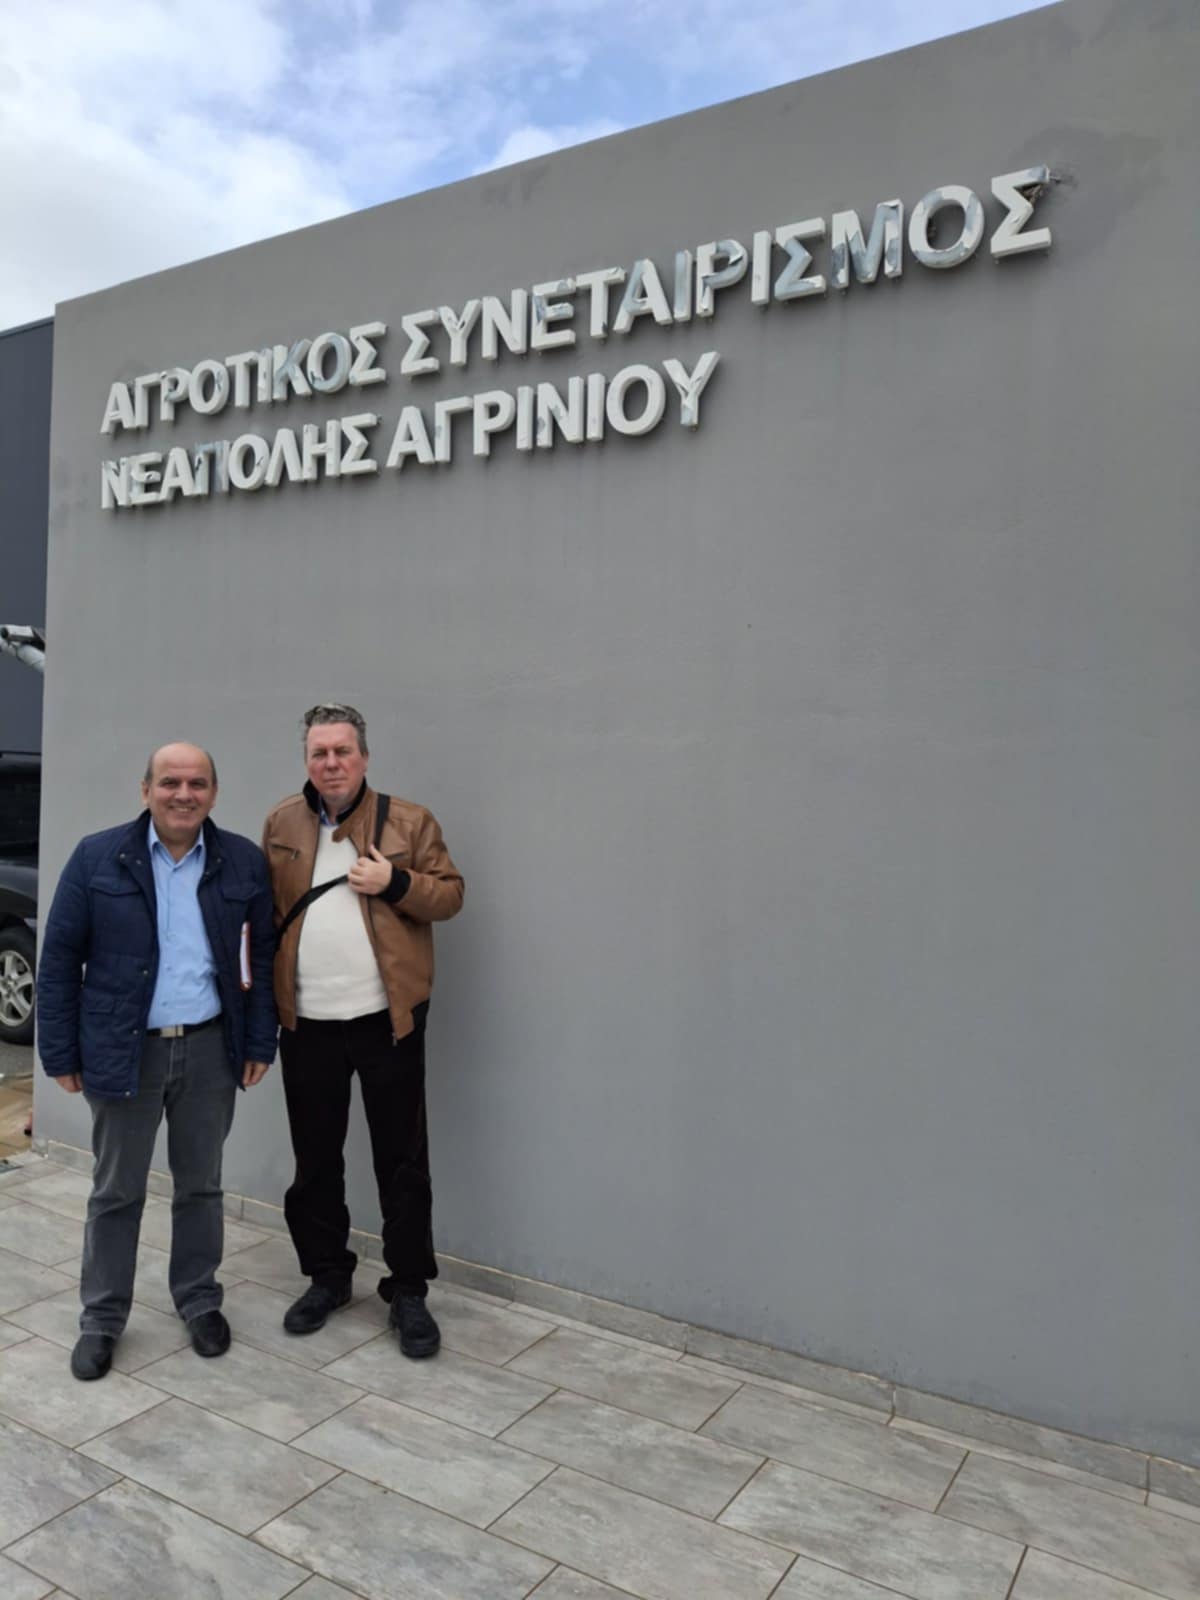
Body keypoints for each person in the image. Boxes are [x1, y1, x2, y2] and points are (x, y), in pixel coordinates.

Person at [37, 744, 277, 1380]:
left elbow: (261, 961)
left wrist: (260, 1042)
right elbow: (58, 960)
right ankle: (102, 1317)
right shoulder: (97, 857)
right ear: (145, 789)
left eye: (197, 783)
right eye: (170, 782)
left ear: (214, 794)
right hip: (124, 1050)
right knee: (116, 1190)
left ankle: (199, 1299)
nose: (183, 794)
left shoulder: (242, 862)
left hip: (210, 1049)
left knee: (201, 1185)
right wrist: (59, 1050)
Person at [262, 702, 464, 1357]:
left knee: (402, 1162)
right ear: (307, 761)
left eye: (342, 751)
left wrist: (394, 880)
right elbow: (267, 914)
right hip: (307, 1024)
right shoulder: (281, 823)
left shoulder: (409, 821)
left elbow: (450, 895)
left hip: (388, 1022)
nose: (331, 763)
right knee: (315, 1159)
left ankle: (408, 1289)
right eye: (319, 753)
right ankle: (327, 1276)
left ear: (364, 757)